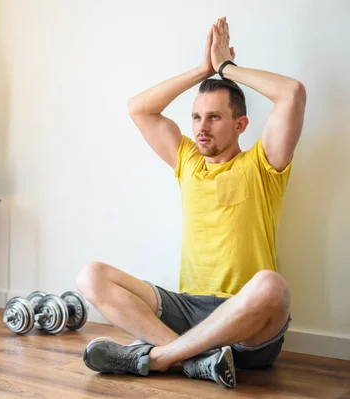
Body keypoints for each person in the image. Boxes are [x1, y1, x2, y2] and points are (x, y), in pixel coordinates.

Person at [75, 17, 307, 389]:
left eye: (214, 117)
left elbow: (292, 92)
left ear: (241, 125)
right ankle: (198, 360)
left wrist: (226, 68)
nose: (201, 127)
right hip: (187, 310)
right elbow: (139, 108)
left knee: (272, 286)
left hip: (246, 320)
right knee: (91, 275)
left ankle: (164, 357)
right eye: (196, 116)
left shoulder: (263, 164)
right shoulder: (187, 161)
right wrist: (202, 69)